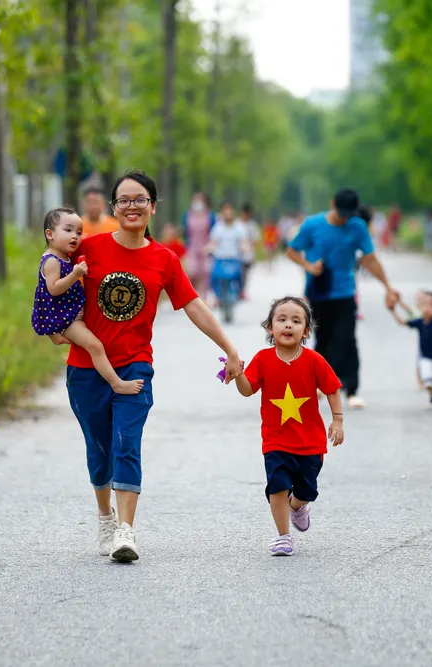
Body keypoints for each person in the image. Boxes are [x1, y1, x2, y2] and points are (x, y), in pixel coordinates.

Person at [55, 170, 243, 562]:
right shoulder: (87, 248)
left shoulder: (163, 259)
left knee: (127, 442)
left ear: (153, 207)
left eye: (140, 199)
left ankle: (125, 530)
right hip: (85, 369)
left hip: (134, 367)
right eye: (123, 200)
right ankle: (105, 516)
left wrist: (229, 347)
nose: (131, 206)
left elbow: (193, 305)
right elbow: (49, 285)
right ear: (113, 207)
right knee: (99, 447)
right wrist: (53, 327)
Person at [233, 296, 344, 556]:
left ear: (305, 331)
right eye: (281, 319)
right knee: (277, 484)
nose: (288, 325)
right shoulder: (262, 359)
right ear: (270, 328)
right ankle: (283, 536)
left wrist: (337, 419)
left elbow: (332, 389)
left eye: (296, 321)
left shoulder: (314, 360)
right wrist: (238, 375)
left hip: (310, 441)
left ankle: (298, 505)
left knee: (307, 489)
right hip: (275, 440)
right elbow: (247, 390)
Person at [286, 188, 401, 409]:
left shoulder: (357, 227)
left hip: (346, 292)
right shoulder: (313, 225)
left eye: (349, 213)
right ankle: (320, 383)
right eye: (342, 213)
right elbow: (292, 251)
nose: (345, 218)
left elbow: (370, 259)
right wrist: (309, 266)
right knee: (323, 338)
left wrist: (388, 287)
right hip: (319, 291)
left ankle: (350, 388)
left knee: (347, 337)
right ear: (332, 204)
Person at [32, 207, 143, 396]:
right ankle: (116, 383)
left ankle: (58, 337)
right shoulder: (52, 261)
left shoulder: (63, 257)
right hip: (68, 320)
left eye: (78, 232)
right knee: (95, 346)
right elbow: (54, 289)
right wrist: (75, 275)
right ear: (50, 234)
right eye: (68, 230)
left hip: (71, 315)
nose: (75, 236)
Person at [390, 291, 432, 405]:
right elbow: (403, 322)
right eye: (424, 306)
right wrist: (393, 311)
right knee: (427, 377)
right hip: (426, 356)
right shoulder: (419, 322)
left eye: (431, 306)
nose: (427, 309)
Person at [205, 202, 250, 323]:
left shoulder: (239, 227)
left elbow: (243, 241)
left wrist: (244, 247)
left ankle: (238, 294)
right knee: (214, 278)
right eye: (225, 211)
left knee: (239, 278)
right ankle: (219, 298)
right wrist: (209, 248)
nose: (228, 214)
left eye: (230, 211)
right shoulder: (218, 227)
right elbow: (213, 242)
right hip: (220, 259)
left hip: (234, 259)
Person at [181, 192, 216, 299]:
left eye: (200, 200)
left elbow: (214, 232)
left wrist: (211, 247)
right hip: (191, 248)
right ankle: (194, 296)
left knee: (205, 274)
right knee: (192, 272)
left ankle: (204, 300)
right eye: (196, 200)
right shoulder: (187, 215)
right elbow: (184, 232)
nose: (198, 202)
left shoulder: (210, 216)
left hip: (206, 249)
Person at [238, 203, 260, 298]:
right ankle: (237, 290)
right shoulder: (237, 224)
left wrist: (252, 252)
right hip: (237, 254)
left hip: (248, 255)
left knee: (245, 274)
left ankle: (242, 290)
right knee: (237, 273)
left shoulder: (252, 226)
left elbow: (255, 240)